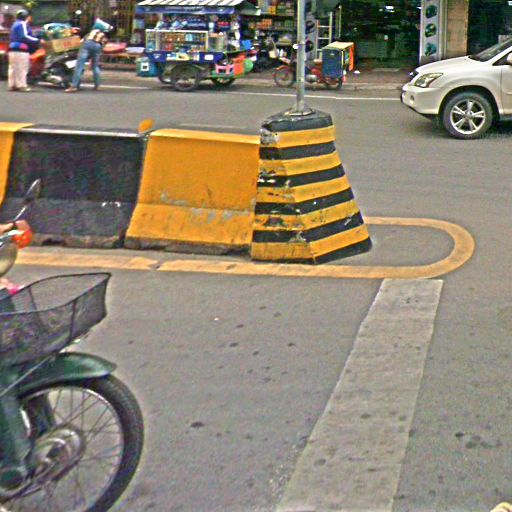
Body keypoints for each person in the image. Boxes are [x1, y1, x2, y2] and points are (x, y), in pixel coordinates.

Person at [65, 18, 112, 93]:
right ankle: (97, 86)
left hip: (87, 44)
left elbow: (82, 38)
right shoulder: (104, 35)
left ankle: (74, 86)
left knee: (79, 66)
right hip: (97, 46)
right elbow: (102, 46)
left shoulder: (93, 31)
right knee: (95, 66)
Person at [7, 9, 39, 92]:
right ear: (26, 17)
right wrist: (36, 40)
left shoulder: (15, 24)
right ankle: (22, 85)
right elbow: (24, 36)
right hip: (21, 48)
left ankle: (12, 85)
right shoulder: (22, 24)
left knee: (13, 68)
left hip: (12, 48)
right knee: (22, 68)